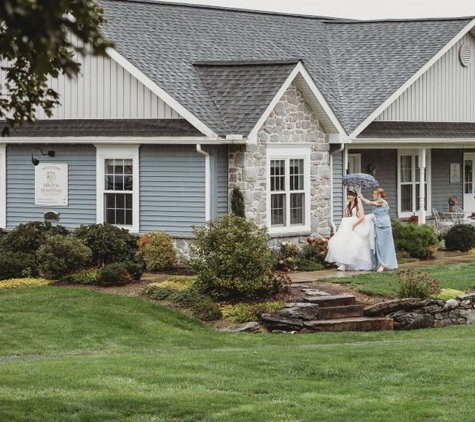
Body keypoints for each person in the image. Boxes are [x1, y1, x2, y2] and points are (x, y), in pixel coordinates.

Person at [325, 190, 374, 271]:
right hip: (346, 226)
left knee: (355, 244)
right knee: (344, 244)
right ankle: (343, 264)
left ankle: (357, 263)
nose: (348, 197)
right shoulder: (346, 205)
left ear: (354, 196)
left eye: (350, 195)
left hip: (355, 226)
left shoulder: (358, 205)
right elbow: (345, 216)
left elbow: (362, 217)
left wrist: (353, 225)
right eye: (347, 195)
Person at [360, 188, 398, 272]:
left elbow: (369, 203)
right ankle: (378, 263)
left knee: (383, 245)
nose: (373, 195)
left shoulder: (382, 202)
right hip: (376, 224)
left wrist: (362, 198)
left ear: (379, 195)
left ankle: (383, 264)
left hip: (383, 225)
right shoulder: (378, 202)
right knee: (376, 244)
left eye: (374, 194)